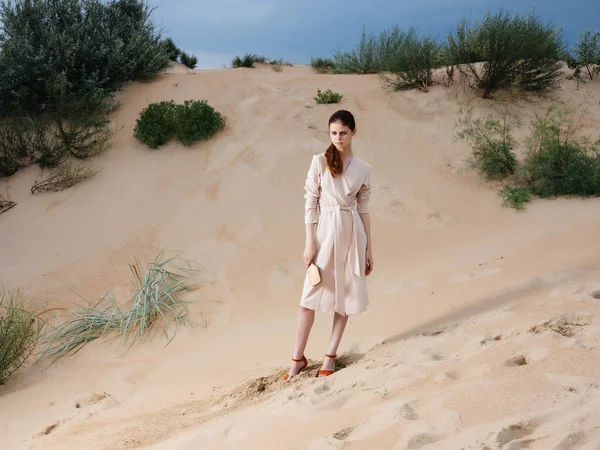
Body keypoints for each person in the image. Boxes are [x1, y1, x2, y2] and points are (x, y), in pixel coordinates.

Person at [284, 109, 373, 381]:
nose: (338, 138)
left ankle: (330, 355)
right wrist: (309, 243)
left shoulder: (363, 168)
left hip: (351, 234)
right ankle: (298, 358)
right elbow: (310, 203)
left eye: (343, 133)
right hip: (323, 234)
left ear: (353, 132)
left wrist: (369, 248)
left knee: (343, 298)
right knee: (307, 300)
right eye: (333, 133)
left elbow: (365, 208)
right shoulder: (319, 162)